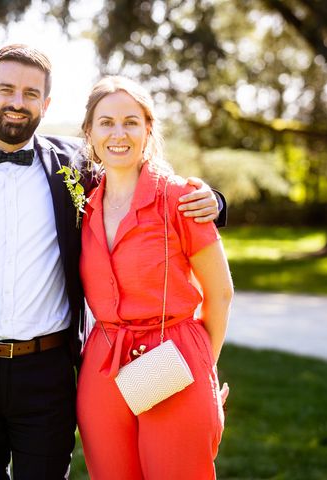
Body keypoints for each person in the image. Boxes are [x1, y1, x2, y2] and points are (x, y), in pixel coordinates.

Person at [0, 44, 224, 480]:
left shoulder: (76, 167)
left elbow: (137, 176)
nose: (17, 102)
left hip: (47, 375)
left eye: (30, 93)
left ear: (46, 103)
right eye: (6, 89)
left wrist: (211, 201)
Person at [76, 76, 233, 479]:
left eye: (131, 122)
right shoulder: (82, 203)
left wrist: (200, 368)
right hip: (102, 364)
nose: (118, 133)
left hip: (174, 358)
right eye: (106, 122)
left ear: (148, 130)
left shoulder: (180, 198)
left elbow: (220, 293)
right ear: (89, 132)